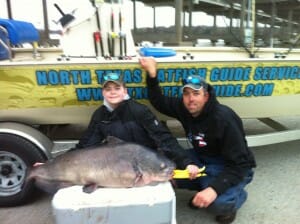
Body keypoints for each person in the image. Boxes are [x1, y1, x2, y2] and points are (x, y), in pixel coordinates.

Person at [139, 57, 256, 224]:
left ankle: (234, 199)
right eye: (186, 93)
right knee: (164, 166)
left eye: (196, 93)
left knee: (217, 203)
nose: (190, 99)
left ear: (206, 96)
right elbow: (158, 101)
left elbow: (240, 164)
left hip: (231, 166)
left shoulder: (224, 118)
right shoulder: (184, 107)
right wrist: (151, 73)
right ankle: (204, 183)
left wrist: (213, 190)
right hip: (201, 158)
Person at [74, 72, 200, 176]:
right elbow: (87, 144)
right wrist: (66, 157)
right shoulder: (99, 115)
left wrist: (186, 162)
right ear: (103, 93)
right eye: (108, 89)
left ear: (125, 91)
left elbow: (164, 139)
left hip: (145, 165)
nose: (112, 92)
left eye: (117, 88)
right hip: (118, 166)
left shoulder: (139, 110)